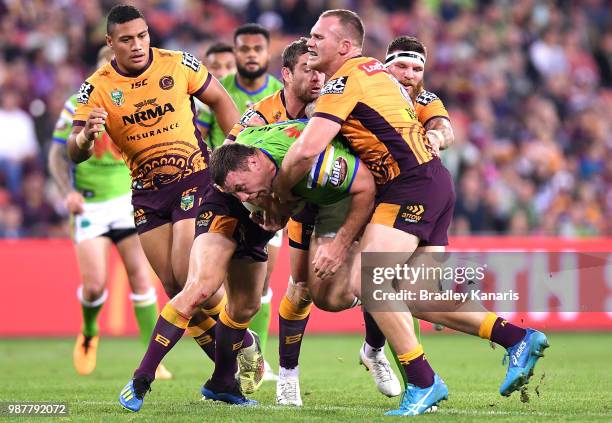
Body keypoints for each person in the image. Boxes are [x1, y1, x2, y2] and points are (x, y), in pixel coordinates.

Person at [273, 9, 548, 415]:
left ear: (345, 46)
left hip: (409, 185)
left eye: (318, 36)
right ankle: (514, 338)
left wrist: (275, 196)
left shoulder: (345, 80)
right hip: (434, 183)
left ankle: (422, 381)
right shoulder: (377, 74)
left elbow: (307, 150)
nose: (309, 42)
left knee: (369, 281)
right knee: (417, 298)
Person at [67, 4, 261, 394]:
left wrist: (237, 155)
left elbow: (222, 102)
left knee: (192, 280)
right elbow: (74, 150)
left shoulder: (179, 64)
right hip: (146, 193)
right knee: (174, 289)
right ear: (111, 42)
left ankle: (233, 349)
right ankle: (240, 349)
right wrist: (86, 136)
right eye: (126, 39)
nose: (137, 45)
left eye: (142, 36)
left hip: (195, 180)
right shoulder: (96, 87)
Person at [227, 39, 400, 404]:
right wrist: (263, 208)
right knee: (301, 286)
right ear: (287, 75)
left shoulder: (339, 98)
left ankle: (375, 348)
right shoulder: (261, 114)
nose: (319, 77)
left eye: (321, 70)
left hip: (343, 193)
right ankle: (288, 377)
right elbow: (230, 158)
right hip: (299, 205)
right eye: (309, 70)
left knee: (359, 285)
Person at [49, 46, 171, 380]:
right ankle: (89, 333)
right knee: (94, 286)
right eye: (107, 66)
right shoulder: (78, 103)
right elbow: (57, 155)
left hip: (128, 201)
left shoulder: (139, 101)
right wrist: (67, 193)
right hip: (90, 204)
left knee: (142, 278)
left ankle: (154, 358)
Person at [199, 23, 284, 379]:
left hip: (269, 198)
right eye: (244, 49)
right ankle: (237, 355)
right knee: (212, 288)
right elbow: (199, 137)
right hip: (228, 196)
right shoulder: (220, 91)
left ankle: (258, 362)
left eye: (257, 49)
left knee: (261, 284)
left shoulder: (282, 91)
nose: (250, 55)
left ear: (267, 53)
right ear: (235, 53)